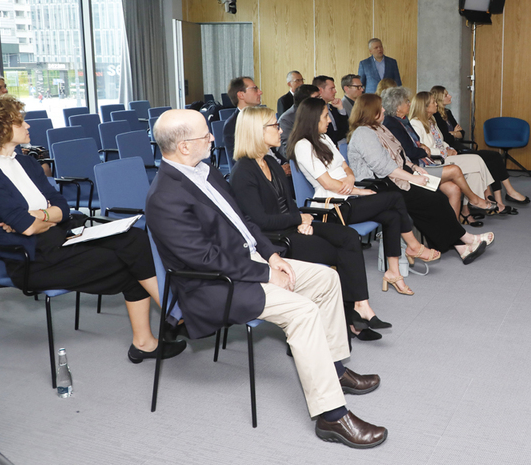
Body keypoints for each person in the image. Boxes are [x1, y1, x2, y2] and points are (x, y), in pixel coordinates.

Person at [145, 109, 387, 448]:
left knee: (327, 280)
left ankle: (333, 369)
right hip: (214, 286)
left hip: (249, 263)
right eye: (205, 136)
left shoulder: (205, 170)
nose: (213, 138)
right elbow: (204, 259)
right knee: (302, 311)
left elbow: (243, 221)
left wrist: (272, 254)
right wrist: (266, 273)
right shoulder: (164, 197)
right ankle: (331, 417)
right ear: (184, 147)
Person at [0, 95, 186, 363]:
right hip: (33, 260)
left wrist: (40, 216)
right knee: (133, 262)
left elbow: (62, 206)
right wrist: (39, 219)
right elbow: (26, 229)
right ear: (1, 127)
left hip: (60, 239)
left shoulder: (26, 162)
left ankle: (168, 320)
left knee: (134, 238)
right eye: (20, 121)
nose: (27, 126)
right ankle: (166, 324)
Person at [229, 105, 390, 339]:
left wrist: (303, 220)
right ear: (257, 132)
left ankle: (358, 307)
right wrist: (299, 219)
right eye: (274, 126)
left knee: (349, 237)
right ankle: (350, 320)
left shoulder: (271, 163)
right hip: (275, 239)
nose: (280, 131)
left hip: (292, 226)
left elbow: (289, 202)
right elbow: (259, 221)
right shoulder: (243, 172)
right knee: (338, 252)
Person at [288, 98, 440, 295]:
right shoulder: (303, 146)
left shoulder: (323, 138)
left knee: (392, 215)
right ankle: (413, 246)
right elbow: (328, 184)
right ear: (313, 119)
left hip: (347, 198)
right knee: (394, 198)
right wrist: (358, 190)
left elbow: (345, 166)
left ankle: (394, 272)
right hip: (332, 207)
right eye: (326, 116)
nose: (329, 120)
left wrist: (351, 179)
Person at [347, 94, 492, 265]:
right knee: (431, 200)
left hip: (392, 179)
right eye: (380, 107)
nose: (384, 109)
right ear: (371, 110)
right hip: (376, 185)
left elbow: (400, 154)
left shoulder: (378, 128)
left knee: (434, 198)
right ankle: (464, 239)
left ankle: (461, 246)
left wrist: (416, 168)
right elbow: (382, 167)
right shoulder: (363, 133)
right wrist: (412, 178)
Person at [382, 87, 496, 225]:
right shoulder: (394, 124)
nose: (409, 104)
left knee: (456, 187)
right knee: (460, 168)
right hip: (416, 167)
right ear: (397, 106)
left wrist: (439, 148)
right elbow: (410, 152)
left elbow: (424, 144)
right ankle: (477, 199)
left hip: (425, 162)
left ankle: (455, 229)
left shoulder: (404, 121)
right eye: (406, 101)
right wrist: (425, 151)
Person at [430, 86, 529, 211]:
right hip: (454, 151)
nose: (450, 96)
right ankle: (504, 197)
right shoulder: (436, 116)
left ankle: (502, 198)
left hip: (460, 147)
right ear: (439, 98)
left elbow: (462, 133)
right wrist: (455, 133)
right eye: (446, 95)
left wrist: (454, 133)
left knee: (493, 157)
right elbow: (446, 138)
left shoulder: (447, 113)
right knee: (492, 158)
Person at [279, 84, 320, 157]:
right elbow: (288, 148)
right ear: (305, 102)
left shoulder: (316, 114)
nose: (320, 101)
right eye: (316, 98)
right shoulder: (286, 119)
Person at [313, 75, 349, 146]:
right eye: (331, 89)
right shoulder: (314, 110)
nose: (335, 91)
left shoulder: (333, 108)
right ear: (320, 90)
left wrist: (340, 108)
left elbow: (345, 129)